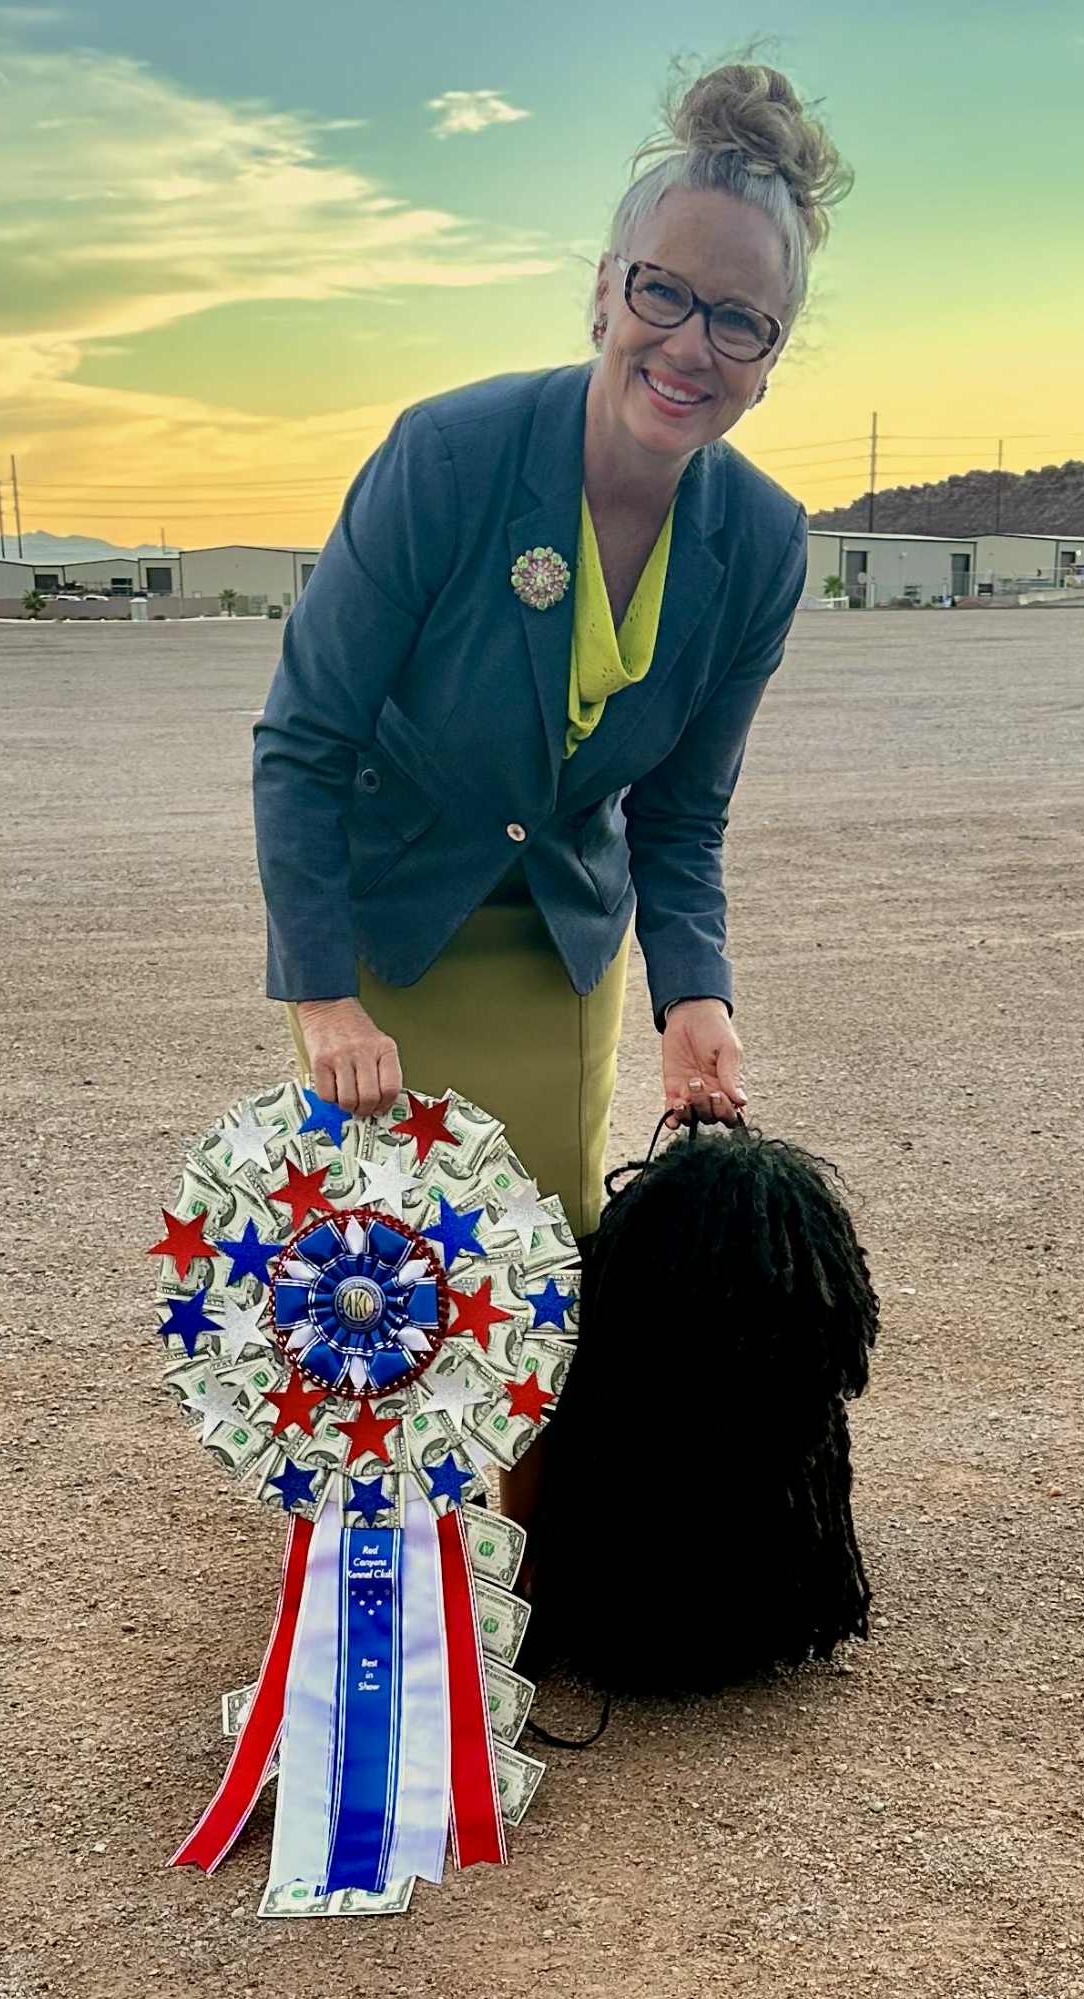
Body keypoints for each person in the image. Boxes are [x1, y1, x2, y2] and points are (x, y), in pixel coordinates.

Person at [251, 56, 853, 1520]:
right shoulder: (449, 456)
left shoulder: (764, 543)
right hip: (389, 938)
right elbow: (304, 739)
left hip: (563, 943)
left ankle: (509, 1580)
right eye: (665, 294)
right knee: (386, 1279)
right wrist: (323, 999)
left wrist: (695, 996)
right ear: (604, 289)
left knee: (537, 1273)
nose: (691, 345)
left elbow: (684, 814)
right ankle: (383, 1583)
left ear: (772, 351)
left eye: (739, 320)